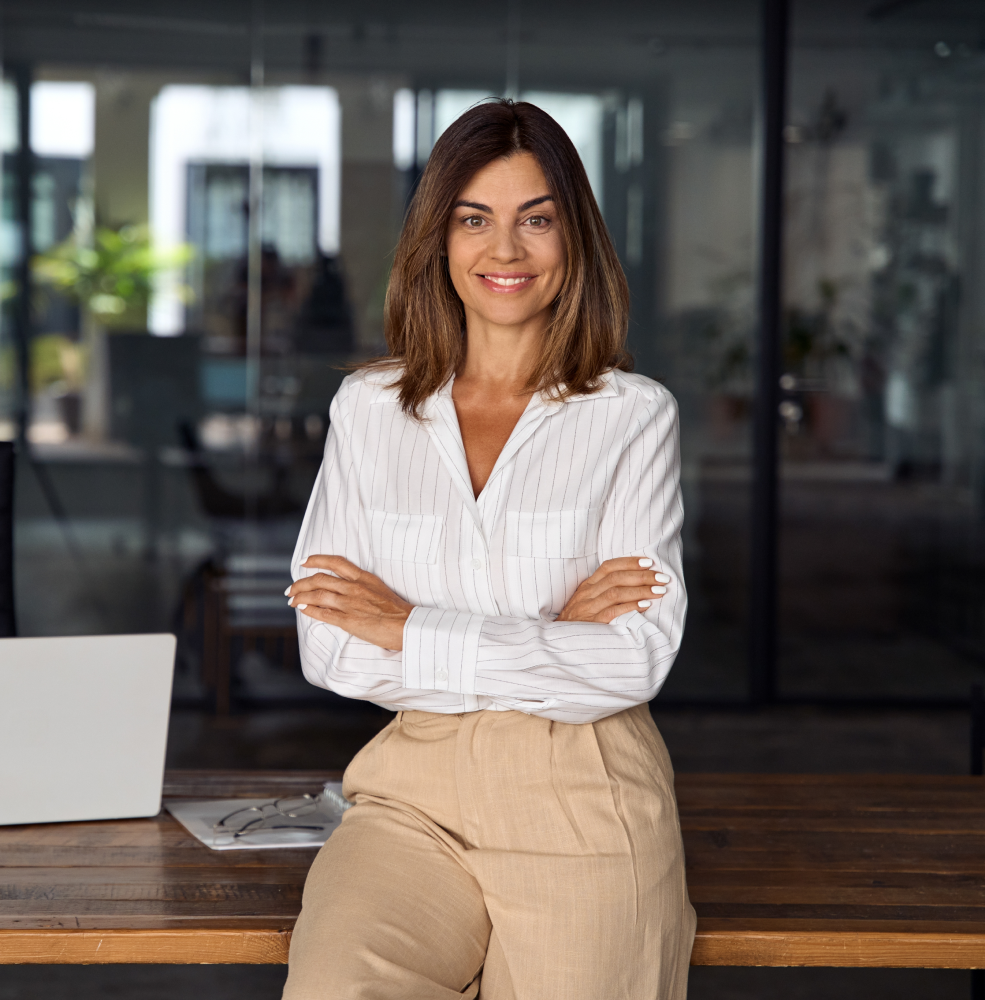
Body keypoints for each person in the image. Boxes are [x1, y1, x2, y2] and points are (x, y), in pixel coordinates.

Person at [283, 99, 696, 1000]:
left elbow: (633, 659)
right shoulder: (368, 411)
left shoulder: (632, 418)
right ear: (439, 239)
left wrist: (406, 625)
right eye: (475, 219)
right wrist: (550, 633)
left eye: (535, 220)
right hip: (410, 793)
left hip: (583, 793)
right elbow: (330, 645)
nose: (504, 251)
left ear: (573, 239)